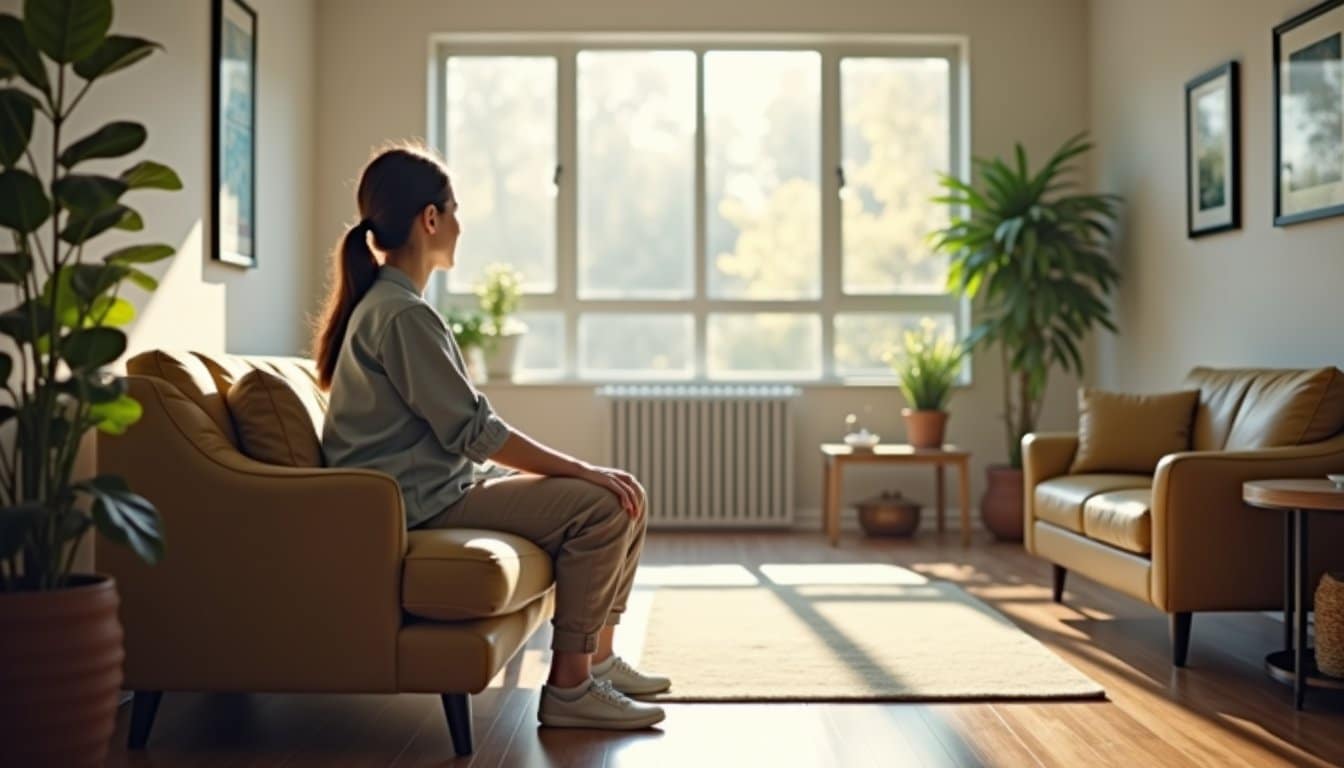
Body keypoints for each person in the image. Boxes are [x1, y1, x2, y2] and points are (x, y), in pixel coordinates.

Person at [313, 143, 669, 730]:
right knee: (603, 503)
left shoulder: (395, 305)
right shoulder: (401, 314)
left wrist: (579, 470)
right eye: (454, 209)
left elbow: (459, 432)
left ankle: (597, 661)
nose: (459, 223)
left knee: (626, 491)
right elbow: (474, 429)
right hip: (421, 503)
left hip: (436, 486)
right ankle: (570, 690)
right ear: (430, 219)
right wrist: (579, 470)